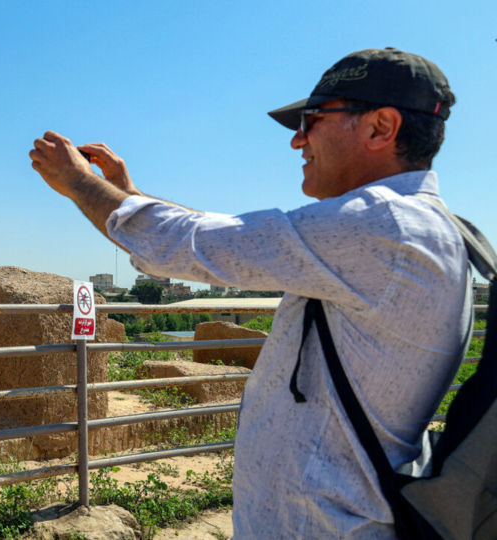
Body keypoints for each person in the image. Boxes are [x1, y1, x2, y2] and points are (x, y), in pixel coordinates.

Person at [30, 48, 472, 537]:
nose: (298, 140)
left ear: (380, 127)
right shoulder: (414, 225)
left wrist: (78, 182)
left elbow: (190, 244)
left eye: (311, 121)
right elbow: (221, 235)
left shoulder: (381, 225)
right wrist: (128, 193)